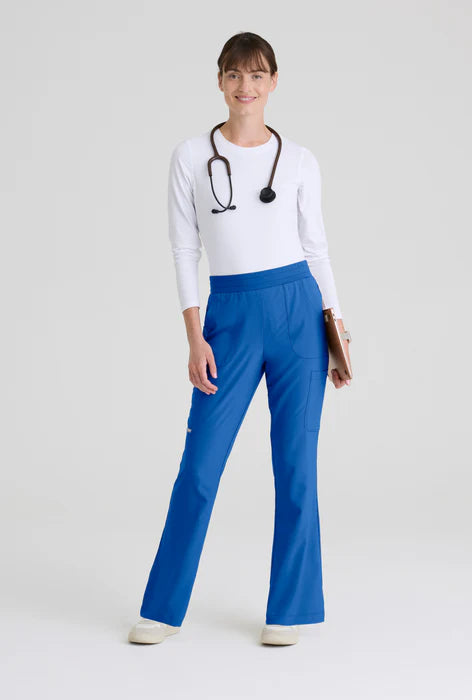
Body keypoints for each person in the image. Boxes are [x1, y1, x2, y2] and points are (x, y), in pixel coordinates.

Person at [128, 31, 352, 647]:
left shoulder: (299, 160)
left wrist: (335, 329)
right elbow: (184, 250)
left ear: (273, 82)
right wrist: (194, 336)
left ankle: (289, 611)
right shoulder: (190, 157)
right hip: (228, 317)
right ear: (220, 82)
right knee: (199, 469)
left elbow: (317, 248)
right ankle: (162, 608)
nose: (245, 86)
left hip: (298, 313)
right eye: (234, 74)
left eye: (256, 75)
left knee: (296, 468)